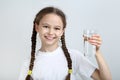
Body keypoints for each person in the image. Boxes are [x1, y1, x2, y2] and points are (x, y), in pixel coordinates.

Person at [19, 6, 112, 80]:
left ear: (62, 31)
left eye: (56, 28)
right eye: (46, 26)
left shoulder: (74, 56)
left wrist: (97, 53)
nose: (51, 32)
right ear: (37, 27)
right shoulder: (28, 63)